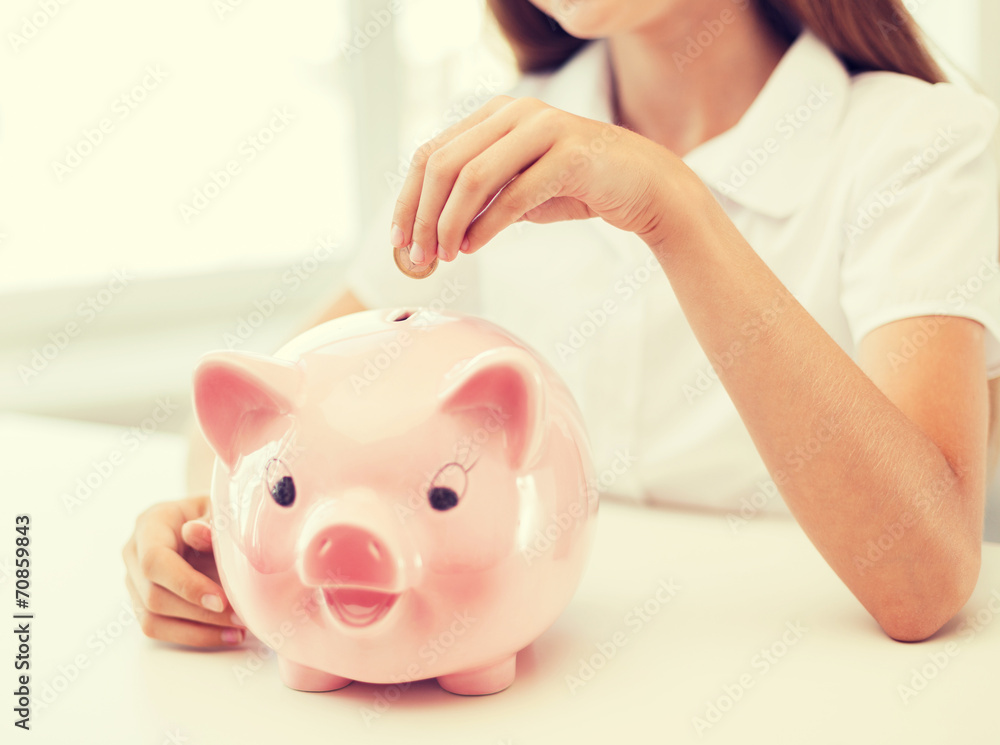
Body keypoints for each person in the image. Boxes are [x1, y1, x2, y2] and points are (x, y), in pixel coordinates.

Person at [123, 0, 1000, 648]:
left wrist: (672, 206)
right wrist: (207, 523)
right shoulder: (493, 137)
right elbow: (281, 398)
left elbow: (923, 581)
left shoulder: (922, 146)